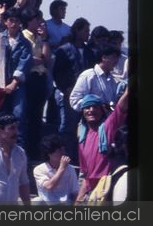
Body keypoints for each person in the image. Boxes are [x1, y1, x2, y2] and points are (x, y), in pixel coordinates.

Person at [74, 87, 129, 202]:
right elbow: (86, 175)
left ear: (102, 111)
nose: (91, 110)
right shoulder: (82, 139)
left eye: (95, 107)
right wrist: (79, 199)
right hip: (93, 192)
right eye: (87, 107)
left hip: (110, 186)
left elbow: (121, 106)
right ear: (83, 112)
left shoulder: (108, 126)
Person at [52, 17, 91, 161]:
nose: (88, 34)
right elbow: (58, 72)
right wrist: (66, 88)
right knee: (68, 126)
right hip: (69, 93)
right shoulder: (64, 49)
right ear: (77, 30)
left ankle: (80, 157)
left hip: (85, 95)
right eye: (86, 31)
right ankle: (66, 157)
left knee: (83, 127)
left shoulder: (88, 51)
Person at [0, 6, 33, 150]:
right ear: (5, 22)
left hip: (17, 85)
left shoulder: (25, 43)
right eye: (11, 20)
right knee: (0, 115)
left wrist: (14, 83)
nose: (14, 23)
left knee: (19, 114)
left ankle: (19, 149)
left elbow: (24, 64)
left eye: (17, 21)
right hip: (0, 83)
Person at [21, 8, 51, 161]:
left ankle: (34, 151)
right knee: (27, 115)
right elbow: (30, 60)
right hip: (29, 79)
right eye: (35, 19)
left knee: (37, 116)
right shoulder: (24, 37)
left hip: (40, 78)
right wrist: (40, 59)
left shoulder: (39, 38)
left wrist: (44, 39)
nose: (39, 22)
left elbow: (46, 57)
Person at [69, 44, 121, 112]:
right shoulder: (88, 75)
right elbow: (74, 100)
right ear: (104, 57)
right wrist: (95, 106)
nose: (116, 61)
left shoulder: (112, 79)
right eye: (114, 57)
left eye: (117, 58)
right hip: (92, 119)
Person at [33, 134, 79, 203]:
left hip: (65, 207)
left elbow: (75, 193)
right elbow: (49, 186)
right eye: (59, 150)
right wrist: (61, 168)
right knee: (36, 201)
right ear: (49, 153)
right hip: (47, 206)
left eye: (63, 149)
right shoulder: (39, 169)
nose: (63, 153)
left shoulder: (70, 169)